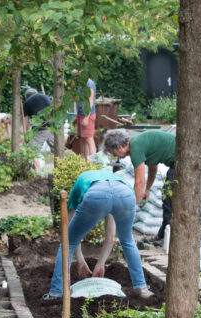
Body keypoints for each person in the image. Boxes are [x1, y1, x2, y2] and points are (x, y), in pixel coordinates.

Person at [46, 169, 152, 299]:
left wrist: (80, 260)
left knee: (68, 242)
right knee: (127, 240)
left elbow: (71, 237)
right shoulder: (115, 180)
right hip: (126, 194)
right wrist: (100, 262)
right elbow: (110, 237)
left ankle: (56, 292)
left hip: (96, 195)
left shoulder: (82, 181)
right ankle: (142, 288)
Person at [103, 129, 175, 244]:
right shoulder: (138, 143)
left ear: (119, 146)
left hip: (181, 161)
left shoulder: (135, 148)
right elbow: (152, 168)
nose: (116, 156)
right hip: (175, 162)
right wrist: (147, 190)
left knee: (169, 200)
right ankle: (163, 235)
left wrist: (132, 206)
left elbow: (139, 181)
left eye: (113, 153)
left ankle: (166, 238)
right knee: (167, 197)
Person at [23, 88, 54, 170]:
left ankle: (38, 173)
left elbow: (26, 122)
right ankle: (62, 168)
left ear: (26, 97)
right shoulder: (45, 96)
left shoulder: (27, 103)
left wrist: (27, 136)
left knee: (32, 150)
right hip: (53, 126)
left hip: (41, 128)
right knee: (56, 149)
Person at [71, 70, 97, 160]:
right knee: (83, 139)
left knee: (89, 139)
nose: (75, 78)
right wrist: (76, 115)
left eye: (77, 76)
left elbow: (90, 102)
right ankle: (86, 161)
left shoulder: (88, 84)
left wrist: (86, 117)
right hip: (80, 114)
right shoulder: (80, 84)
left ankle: (94, 162)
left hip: (87, 115)